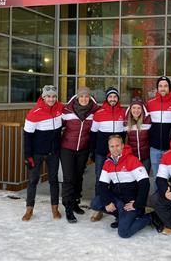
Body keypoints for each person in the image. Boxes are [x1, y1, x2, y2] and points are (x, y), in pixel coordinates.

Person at [92, 135, 151, 238]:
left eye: (117, 145)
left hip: (131, 202)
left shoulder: (132, 160)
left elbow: (145, 184)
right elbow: (102, 185)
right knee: (95, 203)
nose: (115, 149)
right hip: (118, 200)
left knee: (124, 233)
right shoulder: (108, 162)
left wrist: (138, 203)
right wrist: (107, 202)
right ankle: (120, 216)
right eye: (112, 146)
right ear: (109, 147)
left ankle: (150, 217)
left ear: (123, 145)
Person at [22, 85, 64, 221]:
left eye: (54, 96)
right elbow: (27, 135)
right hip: (37, 153)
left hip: (53, 152)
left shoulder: (60, 108)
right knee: (33, 180)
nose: (51, 99)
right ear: (43, 97)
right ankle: (29, 209)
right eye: (48, 96)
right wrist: (28, 156)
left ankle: (55, 209)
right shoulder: (35, 112)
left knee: (53, 181)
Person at [60, 86, 99, 223]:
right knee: (69, 178)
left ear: (90, 97)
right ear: (77, 97)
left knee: (78, 176)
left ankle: (76, 202)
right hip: (67, 148)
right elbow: (58, 125)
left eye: (86, 96)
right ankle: (68, 207)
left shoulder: (95, 111)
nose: (84, 99)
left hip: (83, 148)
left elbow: (96, 131)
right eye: (81, 96)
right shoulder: (67, 110)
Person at [90, 87, 126, 222]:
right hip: (101, 153)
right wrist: (92, 152)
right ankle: (99, 209)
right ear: (107, 98)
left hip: (116, 153)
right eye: (110, 97)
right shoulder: (99, 113)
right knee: (101, 180)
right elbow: (93, 134)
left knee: (116, 180)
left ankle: (117, 208)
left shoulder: (122, 112)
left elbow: (124, 135)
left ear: (117, 98)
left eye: (115, 97)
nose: (112, 99)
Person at [147, 76, 171, 180]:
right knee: (157, 176)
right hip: (154, 148)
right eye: (160, 86)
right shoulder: (150, 104)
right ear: (157, 88)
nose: (163, 88)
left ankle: (169, 196)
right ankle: (158, 196)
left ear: (169, 88)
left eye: (165, 86)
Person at [124, 97, 151, 174]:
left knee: (145, 180)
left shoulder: (148, 121)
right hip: (132, 158)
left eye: (139, 108)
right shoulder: (126, 122)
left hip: (145, 157)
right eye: (134, 108)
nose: (136, 110)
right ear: (130, 109)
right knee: (133, 181)